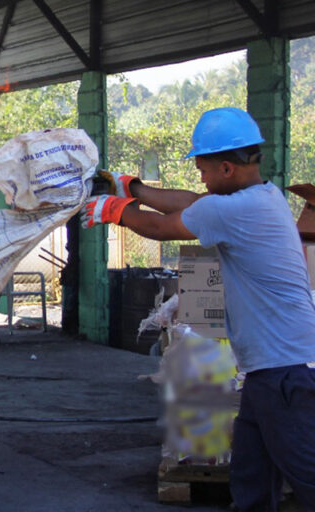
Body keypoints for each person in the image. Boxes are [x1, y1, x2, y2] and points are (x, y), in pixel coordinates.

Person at [82, 107, 315, 512]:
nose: (200, 176)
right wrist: (131, 188)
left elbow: (160, 227)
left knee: (307, 473)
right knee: (250, 479)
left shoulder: (234, 210)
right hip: (268, 372)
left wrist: (114, 211)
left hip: (286, 372)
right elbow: (194, 202)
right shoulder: (264, 195)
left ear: (227, 168)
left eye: (203, 167)